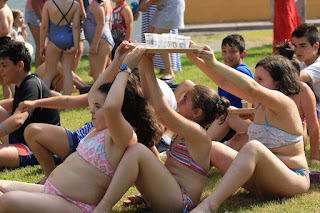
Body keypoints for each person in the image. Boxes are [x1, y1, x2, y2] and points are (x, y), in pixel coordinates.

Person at [0, 45, 162, 212]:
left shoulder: (121, 136)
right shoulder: (99, 129)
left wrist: (125, 68)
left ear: (117, 110)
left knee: (6, 201)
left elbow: (111, 106)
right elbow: (93, 95)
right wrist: (116, 62)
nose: (91, 109)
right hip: (53, 191)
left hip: (74, 204)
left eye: (98, 107)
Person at [94, 50, 230, 212]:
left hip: (179, 202)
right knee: (132, 145)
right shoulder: (184, 131)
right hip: (168, 196)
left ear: (197, 113)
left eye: (185, 100)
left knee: (137, 149)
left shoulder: (198, 134)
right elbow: (151, 103)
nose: (179, 101)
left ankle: (102, 208)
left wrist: (148, 64)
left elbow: (162, 109)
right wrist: (145, 65)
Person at [186, 46, 309, 212]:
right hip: (260, 180)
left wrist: (214, 62)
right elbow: (223, 82)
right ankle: (181, 194)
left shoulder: (284, 103)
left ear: (277, 82)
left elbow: (251, 87)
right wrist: (193, 56)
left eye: (260, 79)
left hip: (291, 180)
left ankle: (210, 205)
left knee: (253, 147)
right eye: (255, 78)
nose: (254, 81)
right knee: (212, 147)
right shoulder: (259, 101)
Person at [0, 42, 60, 170]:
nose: (1, 71)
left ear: (20, 65)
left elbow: (18, 119)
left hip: (35, 148)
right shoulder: (22, 84)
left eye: (4, 66)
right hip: (19, 139)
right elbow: (12, 104)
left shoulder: (31, 85)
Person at [275, 40, 320, 164]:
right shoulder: (271, 90)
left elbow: (313, 125)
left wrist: (314, 157)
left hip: (293, 145)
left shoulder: (302, 91)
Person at [135, 0, 185, 82]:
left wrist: (147, 4)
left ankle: (169, 71)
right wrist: (139, 9)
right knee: (149, 34)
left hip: (172, 5)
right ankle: (145, 69)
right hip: (162, 5)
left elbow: (147, 3)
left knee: (159, 38)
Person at [40, 0, 81, 96]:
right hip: (69, 39)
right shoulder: (75, 4)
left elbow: (44, 26)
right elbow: (76, 26)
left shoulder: (49, 4)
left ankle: (43, 101)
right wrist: (76, 45)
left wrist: (42, 45)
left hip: (54, 39)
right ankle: (68, 104)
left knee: (48, 73)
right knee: (67, 72)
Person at [291, 24, 320, 114]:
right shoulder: (302, 63)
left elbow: (296, 78)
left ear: (315, 46)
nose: (297, 51)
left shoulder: (318, 65)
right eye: (295, 46)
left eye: (302, 46)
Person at [83, 0, 114, 81]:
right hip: (105, 41)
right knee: (98, 74)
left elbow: (101, 24)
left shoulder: (97, 5)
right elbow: (110, 22)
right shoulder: (108, 2)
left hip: (101, 43)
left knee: (97, 75)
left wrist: (94, 44)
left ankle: (101, 93)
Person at [24, 0, 47, 68]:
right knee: (41, 45)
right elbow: (34, 3)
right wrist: (44, 22)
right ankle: (39, 75)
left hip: (48, 10)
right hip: (34, 11)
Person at [0, 0, 14, 99]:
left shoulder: (2, 11)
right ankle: (7, 102)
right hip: (7, 42)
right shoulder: (8, 9)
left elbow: (5, 30)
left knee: (5, 75)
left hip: (3, 42)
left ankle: (14, 98)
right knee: (4, 77)